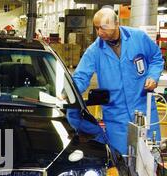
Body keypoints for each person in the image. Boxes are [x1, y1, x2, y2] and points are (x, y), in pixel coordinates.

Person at [69, 7, 164, 155]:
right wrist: (68, 93)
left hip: (144, 111)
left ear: (116, 23)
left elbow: (156, 58)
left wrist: (153, 76)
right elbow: (81, 77)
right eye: (96, 28)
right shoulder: (94, 51)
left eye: (103, 28)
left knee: (150, 158)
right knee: (120, 160)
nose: (99, 32)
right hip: (116, 117)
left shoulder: (138, 38)